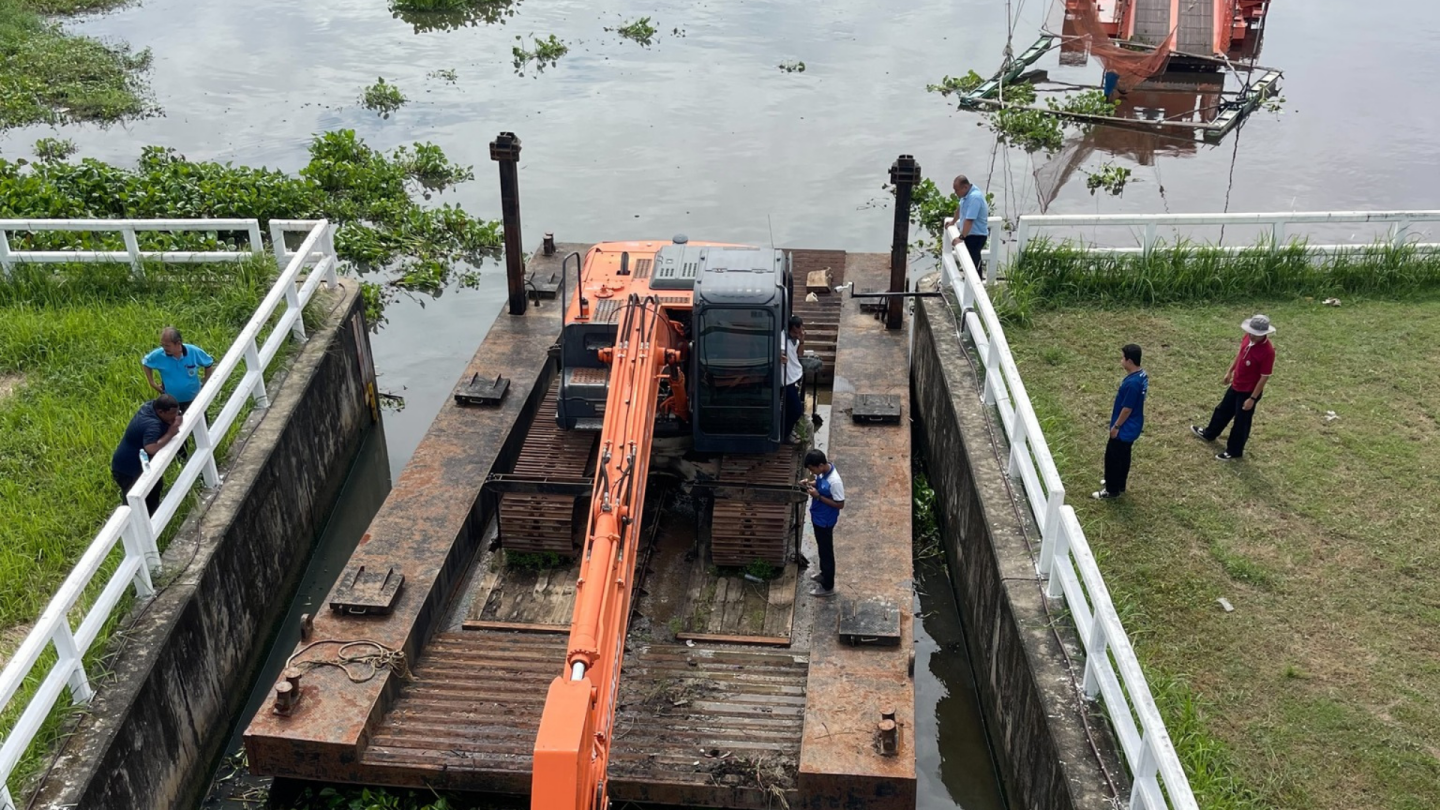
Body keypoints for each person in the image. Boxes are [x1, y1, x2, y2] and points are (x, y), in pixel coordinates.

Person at [1192, 314, 1276, 461]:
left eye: (1255, 335)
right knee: (1222, 410)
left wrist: (1252, 398)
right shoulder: (1247, 338)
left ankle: (1234, 450)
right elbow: (1240, 354)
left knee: (1241, 422)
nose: (1251, 336)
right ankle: (1209, 433)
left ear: (1263, 334)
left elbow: (1264, 377)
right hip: (1236, 385)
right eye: (1250, 332)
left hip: (1249, 391)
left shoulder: (1268, 352)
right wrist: (1230, 371)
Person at [111, 395, 183, 515]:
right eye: (172, 414)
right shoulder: (152, 425)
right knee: (136, 502)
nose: (176, 417)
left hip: (141, 464)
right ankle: (138, 527)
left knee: (155, 488)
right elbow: (151, 448)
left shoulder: (152, 406)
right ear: (160, 411)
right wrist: (170, 433)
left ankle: (153, 519)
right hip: (129, 469)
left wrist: (173, 419)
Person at [1093, 344, 1148, 500]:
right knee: (1124, 456)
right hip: (1134, 426)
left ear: (1129, 361)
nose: (1121, 360)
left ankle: (1111, 490)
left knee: (1113, 458)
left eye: (1123, 358)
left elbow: (1127, 409)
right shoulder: (1142, 375)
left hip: (1125, 428)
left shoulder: (1132, 384)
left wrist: (1116, 426)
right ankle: (1119, 483)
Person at [143, 326, 214, 414]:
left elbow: (208, 364)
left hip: (195, 399)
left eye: (167, 345)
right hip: (172, 404)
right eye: (162, 345)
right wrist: (152, 383)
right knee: (178, 426)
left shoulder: (193, 351)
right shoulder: (158, 355)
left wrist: (205, 382)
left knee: (201, 424)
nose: (164, 348)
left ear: (178, 343)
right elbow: (146, 363)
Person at [803, 449, 845, 597]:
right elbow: (820, 483)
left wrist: (818, 496)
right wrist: (810, 483)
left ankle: (828, 586)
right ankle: (823, 574)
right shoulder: (823, 472)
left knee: (826, 553)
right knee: (822, 549)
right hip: (818, 517)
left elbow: (840, 504)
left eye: (813, 469)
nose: (813, 472)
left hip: (826, 521)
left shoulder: (835, 482)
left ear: (821, 465)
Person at [946, 175, 990, 280]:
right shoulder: (966, 196)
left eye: (956, 190)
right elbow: (960, 208)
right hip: (970, 234)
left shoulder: (975, 198)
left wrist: (961, 238)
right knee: (970, 261)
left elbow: (970, 220)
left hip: (977, 236)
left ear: (965, 187)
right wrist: (952, 222)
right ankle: (970, 281)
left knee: (974, 262)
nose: (955, 193)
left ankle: (976, 283)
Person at [781, 315, 805, 444]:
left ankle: (788, 430)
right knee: (796, 410)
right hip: (786, 379)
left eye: (800, 330)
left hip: (795, 374)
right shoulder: (782, 339)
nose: (798, 334)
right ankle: (785, 435)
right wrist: (780, 356)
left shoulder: (797, 338)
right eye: (796, 332)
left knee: (790, 408)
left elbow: (800, 354)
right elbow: (780, 352)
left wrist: (801, 341)